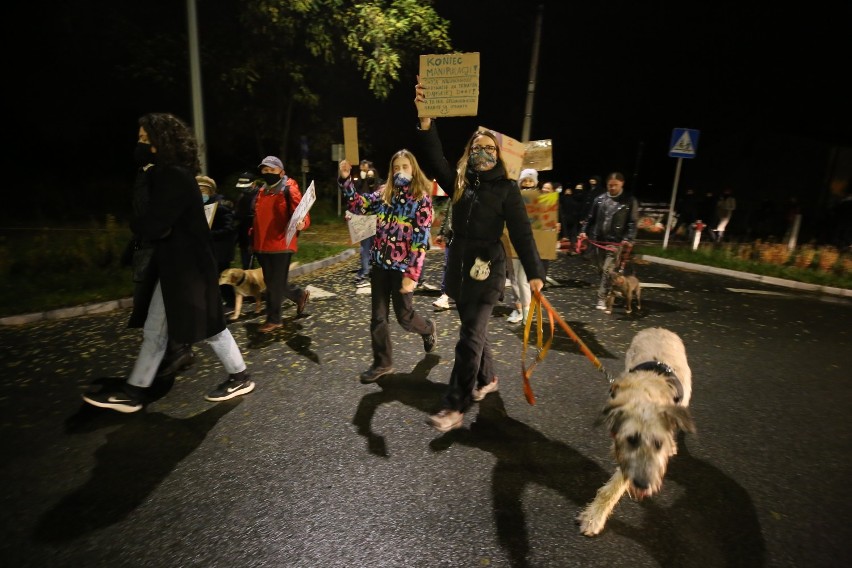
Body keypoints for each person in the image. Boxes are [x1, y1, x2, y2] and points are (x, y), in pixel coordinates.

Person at [82, 112, 255, 413]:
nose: (138, 144)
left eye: (144, 139)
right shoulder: (171, 173)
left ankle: (239, 377)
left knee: (209, 327)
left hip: (188, 270)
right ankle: (135, 391)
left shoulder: (172, 175)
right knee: (158, 329)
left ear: (159, 142)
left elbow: (156, 224)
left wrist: (138, 223)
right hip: (180, 267)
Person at [414, 77, 545, 432]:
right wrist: (427, 124)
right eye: (476, 148)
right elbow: (435, 156)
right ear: (470, 153)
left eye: (488, 148)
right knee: (475, 331)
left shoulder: (507, 190)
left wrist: (534, 273)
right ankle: (487, 379)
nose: (481, 152)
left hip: (488, 270)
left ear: (497, 155)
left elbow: (521, 232)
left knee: (469, 336)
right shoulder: (459, 183)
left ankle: (454, 405)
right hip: (459, 268)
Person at [337, 150, 436, 382]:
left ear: (413, 169)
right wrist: (346, 181)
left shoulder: (421, 200)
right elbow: (359, 204)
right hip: (380, 265)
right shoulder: (383, 194)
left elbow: (421, 240)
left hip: (403, 270)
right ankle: (383, 363)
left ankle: (428, 329)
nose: (400, 171)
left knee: (405, 318)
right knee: (378, 318)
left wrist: (412, 274)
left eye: (405, 166)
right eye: (396, 167)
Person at [253, 156, 311, 333]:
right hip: (262, 245)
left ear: (281, 172)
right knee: (274, 282)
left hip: (281, 243)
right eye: (265, 170)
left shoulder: (289, 189)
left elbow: (302, 212)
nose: (268, 173)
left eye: (272, 170)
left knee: (274, 285)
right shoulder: (262, 191)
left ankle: (274, 319)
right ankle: (299, 295)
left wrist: (303, 223)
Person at [578, 171, 639, 310]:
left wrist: (628, 239)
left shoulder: (629, 201)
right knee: (601, 269)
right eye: (609, 185)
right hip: (599, 240)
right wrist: (583, 231)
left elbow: (632, 222)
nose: (612, 188)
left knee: (607, 270)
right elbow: (590, 218)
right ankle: (610, 290)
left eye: (615, 185)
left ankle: (602, 298)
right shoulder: (600, 199)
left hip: (616, 242)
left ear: (622, 184)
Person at [505, 168, 540, 323]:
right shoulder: (512, 198)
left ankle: (526, 310)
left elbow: (546, 219)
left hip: (528, 244)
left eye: (530, 180)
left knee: (522, 278)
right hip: (511, 243)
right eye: (524, 180)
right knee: (513, 277)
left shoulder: (541, 199)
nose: (527, 183)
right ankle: (518, 307)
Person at [197, 175, 238, 305]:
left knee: (223, 278)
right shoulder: (201, 205)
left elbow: (229, 228)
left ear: (210, 190)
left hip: (221, 250)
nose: (200, 194)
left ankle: (230, 302)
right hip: (209, 249)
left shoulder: (221, 205)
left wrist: (210, 234)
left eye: (203, 190)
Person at [348, 159, 383, 287]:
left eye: (365, 166)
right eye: (361, 167)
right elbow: (356, 195)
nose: (362, 169)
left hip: (372, 216)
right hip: (363, 217)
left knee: (368, 247)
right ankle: (366, 272)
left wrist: (368, 177)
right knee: (366, 247)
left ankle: (365, 273)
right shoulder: (360, 180)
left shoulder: (373, 177)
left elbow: (373, 193)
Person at [234, 171, 260, 269]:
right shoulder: (241, 196)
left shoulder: (260, 196)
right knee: (246, 265)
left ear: (253, 184)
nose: (243, 189)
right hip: (244, 237)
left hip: (257, 235)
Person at [432, 193, 453, 310]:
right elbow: (448, 215)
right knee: (447, 265)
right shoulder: (455, 193)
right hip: (452, 235)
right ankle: (445, 296)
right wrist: (441, 233)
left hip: (465, 237)